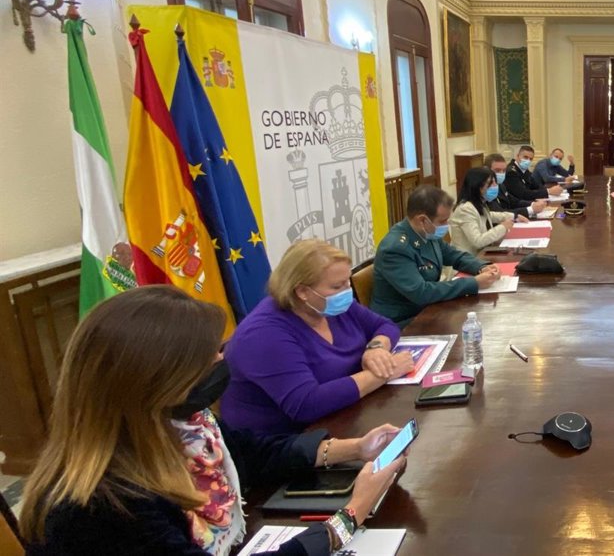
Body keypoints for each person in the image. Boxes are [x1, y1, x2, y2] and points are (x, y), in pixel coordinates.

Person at [19, 286, 408, 556]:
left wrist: (353, 448)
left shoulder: (184, 426)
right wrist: (350, 516)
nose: (222, 360)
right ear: (157, 382)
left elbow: (249, 451)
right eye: (207, 356)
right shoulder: (103, 506)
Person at [220, 240, 415, 436]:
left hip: (345, 414)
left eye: (348, 282)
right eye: (337, 286)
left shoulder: (329, 306)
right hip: (286, 441)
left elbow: (385, 326)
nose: (347, 291)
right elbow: (306, 404)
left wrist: (376, 348)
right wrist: (383, 373)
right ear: (302, 291)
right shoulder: (264, 334)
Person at [372, 185, 500, 326]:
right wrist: (473, 283)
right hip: (402, 322)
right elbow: (421, 292)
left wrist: (482, 267)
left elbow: (454, 255)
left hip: (428, 310)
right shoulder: (396, 248)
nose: (447, 224)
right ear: (422, 220)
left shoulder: (427, 233)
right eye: (443, 221)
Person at [450, 167, 518, 257]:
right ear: (477, 186)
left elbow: (488, 215)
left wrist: (513, 216)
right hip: (467, 259)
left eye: (495, 182)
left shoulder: (479, 203)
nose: (495, 186)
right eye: (490, 183)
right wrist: (503, 227)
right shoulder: (465, 209)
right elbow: (477, 241)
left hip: (482, 254)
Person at [485, 152, 548, 219]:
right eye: (497, 170)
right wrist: (530, 210)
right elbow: (499, 213)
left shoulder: (500, 184)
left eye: (504, 170)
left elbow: (514, 201)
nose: (501, 173)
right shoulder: (485, 189)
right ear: (486, 169)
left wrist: (533, 204)